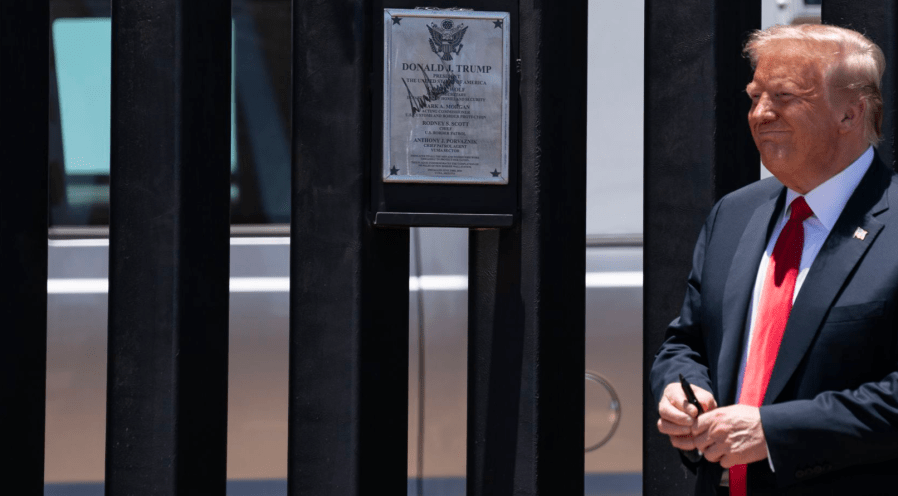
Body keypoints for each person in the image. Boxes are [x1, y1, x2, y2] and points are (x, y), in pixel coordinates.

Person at [651, 24, 898, 495]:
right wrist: (683, 392)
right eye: (754, 96)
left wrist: (774, 432)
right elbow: (686, 342)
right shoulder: (734, 214)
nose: (761, 113)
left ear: (850, 113)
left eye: (784, 96)